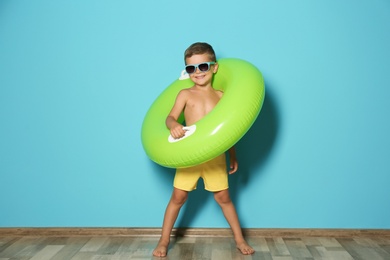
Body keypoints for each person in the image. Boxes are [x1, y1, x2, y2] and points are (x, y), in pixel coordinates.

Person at [153, 42, 254, 257]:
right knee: (178, 198)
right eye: (191, 69)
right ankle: (163, 241)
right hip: (189, 156)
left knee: (224, 198)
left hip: (215, 157)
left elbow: (228, 131)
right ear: (186, 71)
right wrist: (174, 125)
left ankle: (239, 239)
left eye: (203, 66)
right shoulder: (185, 94)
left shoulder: (221, 96)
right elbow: (170, 117)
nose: (197, 73)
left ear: (215, 67)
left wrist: (232, 155)